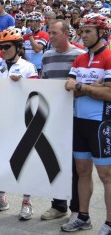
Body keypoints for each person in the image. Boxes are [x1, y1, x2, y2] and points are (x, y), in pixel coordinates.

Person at [62, 14, 111, 234]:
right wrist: (92, 88)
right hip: (78, 121)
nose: (83, 35)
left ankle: (109, 223)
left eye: (89, 31)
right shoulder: (80, 59)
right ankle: (83, 216)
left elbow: (109, 94)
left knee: (105, 175)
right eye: (82, 31)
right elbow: (69, 87)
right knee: (82, 171)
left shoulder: (109, 57)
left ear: (102, 33)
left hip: (100, 123)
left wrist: (82, 88)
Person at [0, 28, 38, 220]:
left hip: (22, 121)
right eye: (1, 47)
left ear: (17, 47)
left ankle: (27, 202)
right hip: (1, 121)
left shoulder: (28, 67)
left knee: (24, 162)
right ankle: (1, 198)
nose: (3, 50)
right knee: (0, 161)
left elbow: (36, 94)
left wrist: (23, 83)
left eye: (7, 46)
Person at [40, 19, 84, 222]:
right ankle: (58, 205)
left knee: (77, 165)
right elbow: (43, 84)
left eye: (55, 32)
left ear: (67, 33)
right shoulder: (47, 56)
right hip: (53, 118)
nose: (51, 35)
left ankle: (76, 207)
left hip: (74, 117)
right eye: (49, 32)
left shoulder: (80, 55)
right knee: (54, 162)